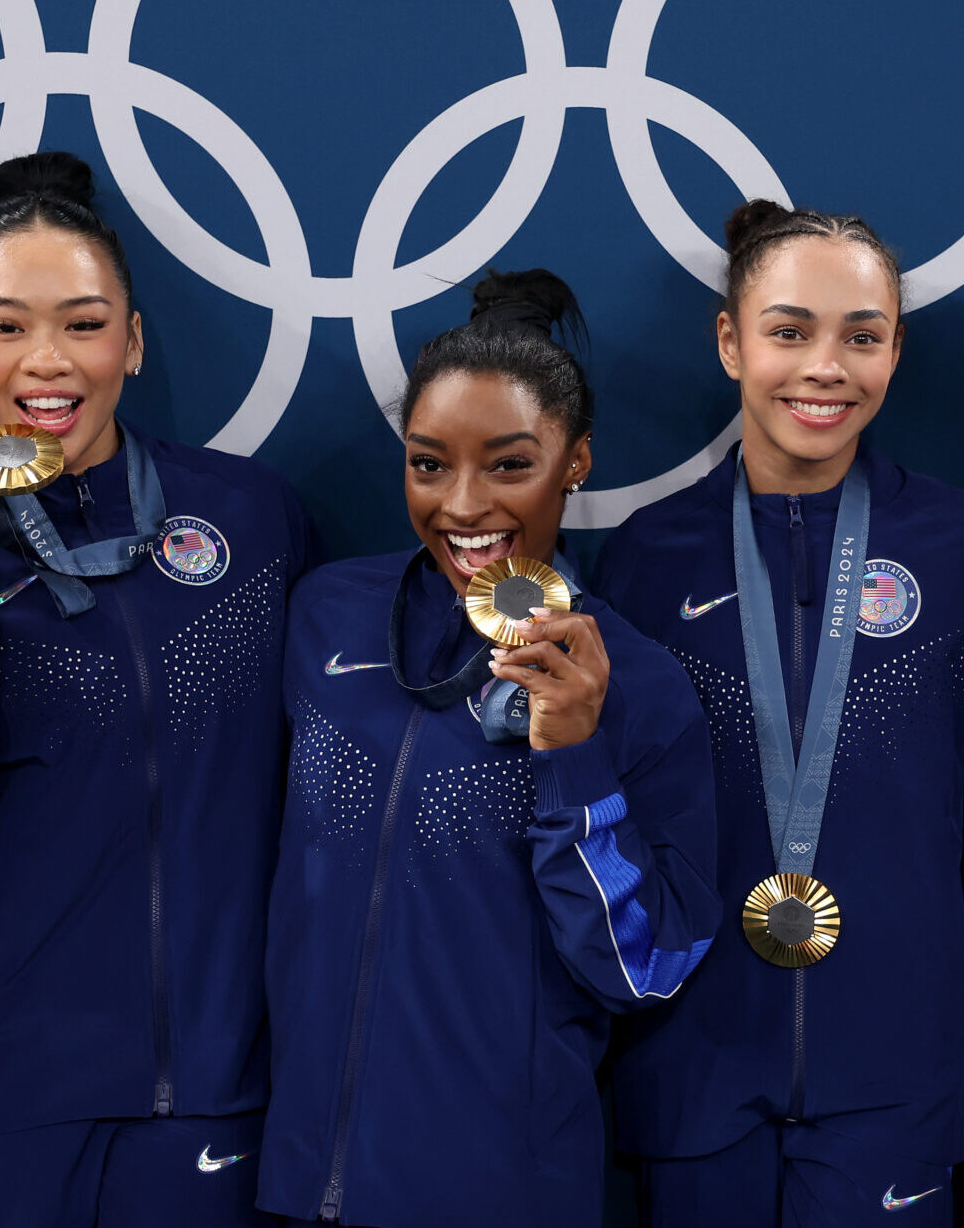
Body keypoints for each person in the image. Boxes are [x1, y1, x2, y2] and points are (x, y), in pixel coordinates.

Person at [0, 152, 311, 1227]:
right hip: (13, 1104)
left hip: (227, 1096)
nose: (46, 361)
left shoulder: (251, 520)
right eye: (5, 326)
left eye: (85, 323)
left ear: (134, 341)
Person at [257, 269, 722, 1228]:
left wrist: (578, 762)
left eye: (509, 464)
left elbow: (644, 968)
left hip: (502, 1191)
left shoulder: (636, 682)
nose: (463, 505)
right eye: (429, 464)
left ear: (577, 460)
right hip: (303, 1179)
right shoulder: (325, 614)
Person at [595, 201, 964, 1225]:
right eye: (788, 331)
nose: (824, 366)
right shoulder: (645, 557)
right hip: (694, 1063)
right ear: (731, 340)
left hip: (895, 1067)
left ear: (895, 349)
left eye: (860, 336)